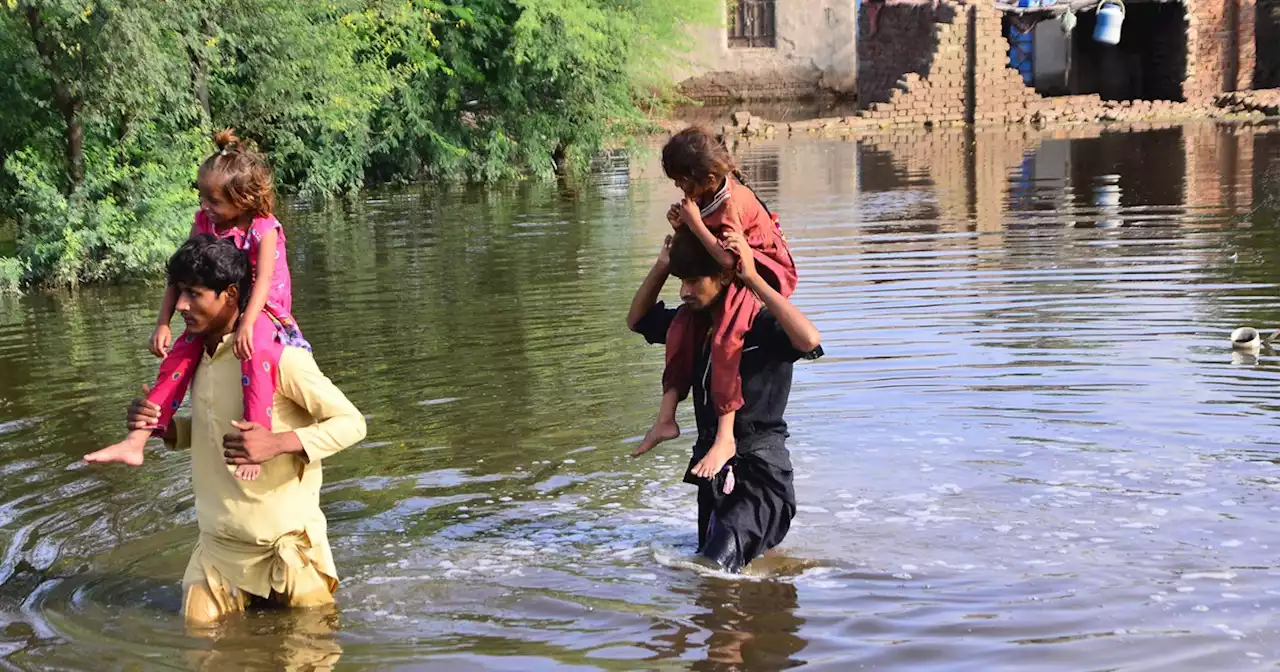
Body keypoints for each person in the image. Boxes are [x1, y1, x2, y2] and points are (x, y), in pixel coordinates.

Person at [99, 235, 366, 625]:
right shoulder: (194, 359)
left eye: (194, 294)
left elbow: (352, 423)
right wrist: (167, 430)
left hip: (288, 551)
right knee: (200, 646)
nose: (181, 306)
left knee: (309, 648)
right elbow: (212, 428)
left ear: (228, 294)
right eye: (179, 294)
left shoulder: (281, 359)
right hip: (217, 551)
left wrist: (279, 443)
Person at [85, 129, 299, 482]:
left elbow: (263, 281)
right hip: (219, 308)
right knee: (180, 354)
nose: (205, 207)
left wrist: (247, 322)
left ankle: (253, 439)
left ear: (243, 199)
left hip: (263, 308)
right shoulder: (204, 222)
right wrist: (163, 322)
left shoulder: (264, 227)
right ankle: (137, 441)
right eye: (203, 198)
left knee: (257, 348)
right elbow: (179, 273)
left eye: (213, 201)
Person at [627, 228, 821, 573]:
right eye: (680, 282)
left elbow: (808, 341)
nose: (685, 292)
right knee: (714, 573)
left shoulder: (761, 328)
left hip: (761, 480)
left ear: (724, 276)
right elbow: (638, 320)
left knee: (712, 569)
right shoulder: (690, 327)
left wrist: (754, 280)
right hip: (713, 475)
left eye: (693, 281)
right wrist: (660, 266)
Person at [638, 126, 799, 487]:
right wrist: (685, 228)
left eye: (684, 183)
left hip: (759, 277)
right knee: (681, 329)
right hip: (733, 274)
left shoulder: (732, 201)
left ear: (709, 177)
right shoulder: (710, 193)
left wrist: (695, 224)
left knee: (726, 341)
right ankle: (666, 417)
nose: (682, 191)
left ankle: (725, 436)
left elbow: (729, 263)